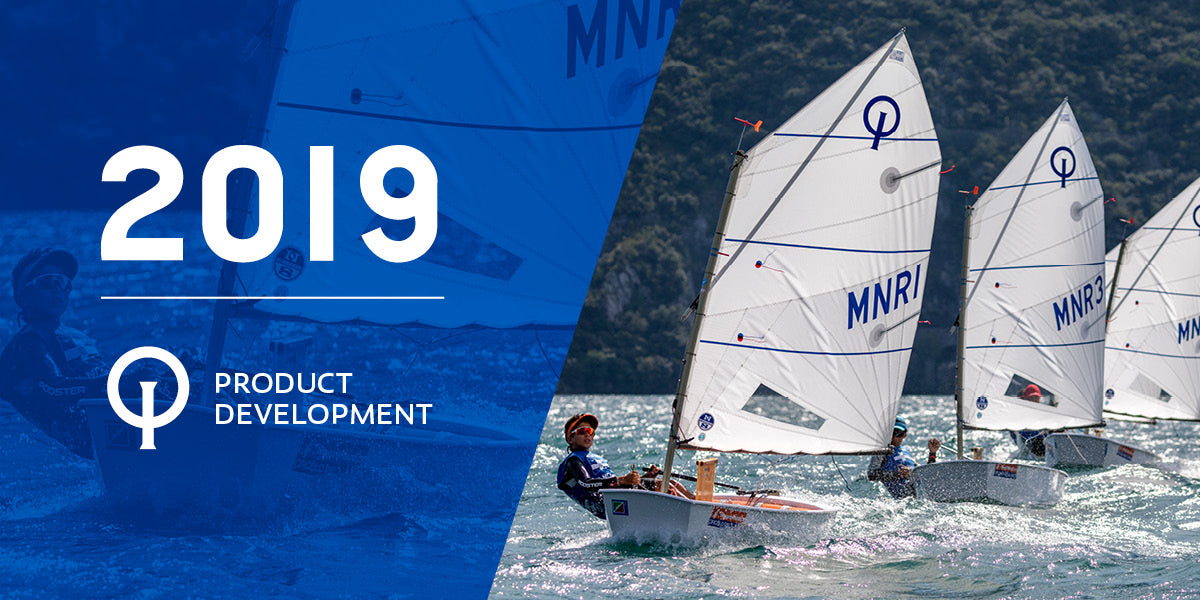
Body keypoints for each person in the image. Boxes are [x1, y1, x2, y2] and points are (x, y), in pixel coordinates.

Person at [0, 249, 105, 458]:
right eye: (48, 282)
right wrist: (118, 384)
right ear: (24, 296)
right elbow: (53, 389)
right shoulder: (26, 344)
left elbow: (100, 377)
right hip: (99, 434)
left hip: (111, 419)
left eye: (63, 283)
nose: (58, 289)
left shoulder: (76, 336)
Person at [556, 413, 692, 519]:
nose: (587, 434)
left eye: (590, 431)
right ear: (570, 438)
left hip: (619, 496)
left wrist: (645, 477)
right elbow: (586, 484)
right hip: (609, 504)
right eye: (582, 431)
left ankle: (697, 505)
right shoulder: (573, 461)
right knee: (665, 488)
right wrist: (623, 480)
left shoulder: (594, 458)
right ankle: (691, 515)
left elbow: (615, 483)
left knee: (668, 483)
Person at [867, 416, 940, 499]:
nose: (893, 437)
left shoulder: (905, 451)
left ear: (904, 435)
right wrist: (897, 474)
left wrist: (932, 453)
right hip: (901, 500)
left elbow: (924, 476)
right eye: (891, 433)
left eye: (898, 434)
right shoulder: (882, 451)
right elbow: (871, 475)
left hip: (918, 496)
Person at [1010, 384, 1050, 457]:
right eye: (1032, 397)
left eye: (1036, 397)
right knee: (1037, 443)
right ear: (1027, 398)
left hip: (1041, 443)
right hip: (1029, 444)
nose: (1034, 400)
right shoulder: (1021, 414)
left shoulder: (1042, 413)